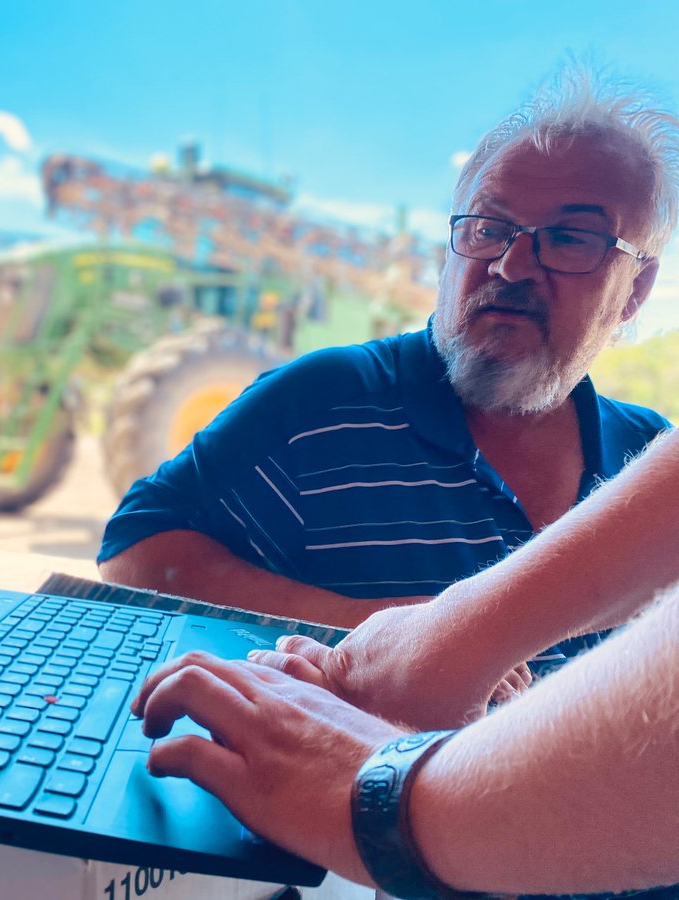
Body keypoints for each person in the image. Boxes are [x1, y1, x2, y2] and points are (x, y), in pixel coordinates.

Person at [98, 65, 675, 685]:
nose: (510, 265)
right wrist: (372, 633)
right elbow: (136, 552)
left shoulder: (649, 459)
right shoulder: (321, 405)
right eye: (489, 228)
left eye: (568, 238)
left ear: (636, 288)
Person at [130, 425, 679, 897]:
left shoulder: (639, 431)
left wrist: (395, 793)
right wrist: (447, 638)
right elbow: (140, 538)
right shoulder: (330, 393)